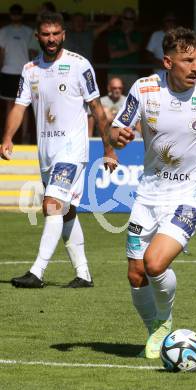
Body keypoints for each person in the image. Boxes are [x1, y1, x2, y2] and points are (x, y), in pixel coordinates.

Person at [109, 27, 196, 359]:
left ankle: (165, 320)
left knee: (154, 263)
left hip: (191, 195)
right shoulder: (144, 89)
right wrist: (118, 138)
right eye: (188, 60)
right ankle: (155, 327)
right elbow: (114, 128)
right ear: (168, 62)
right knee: (135, 272)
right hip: (148, 194)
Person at [0, 12, 118, 288]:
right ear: (38, 36)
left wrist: (108, 149)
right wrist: (7, 137)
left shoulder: (79, 65)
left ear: (63, 35)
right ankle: (84, 274)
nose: (51, 39)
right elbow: (19, 106)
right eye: (46, 34)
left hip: (72, 151)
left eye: (56, 34)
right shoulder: (30, 70)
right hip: (46, 153)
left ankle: (37, 272)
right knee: (65, 211)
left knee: (52, 204)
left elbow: (97, 110)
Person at [0, 4, 33, 143]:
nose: (16, 16)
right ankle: (9, 137)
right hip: (7, 71)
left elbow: (32, 53)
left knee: (23, 105)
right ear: (10, 15)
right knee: (9, 105)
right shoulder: (3, 31)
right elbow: (1, 52)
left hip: (24, 73)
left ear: (22, 14)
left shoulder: (29, 31)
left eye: (18, 13)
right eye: (13, 13)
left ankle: (25, 136)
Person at [107, 7, 143, 93]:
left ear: (134, 20)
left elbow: (134, 48)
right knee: (114, 103)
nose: (128, 21)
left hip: (131, 73)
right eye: (126, 18)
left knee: (132, 102)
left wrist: (127, 35)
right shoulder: (113, 34)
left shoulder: (137, 34)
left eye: (131, 18)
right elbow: (113, 54)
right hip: (115, 72)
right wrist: (130, 51)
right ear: (121, 19)